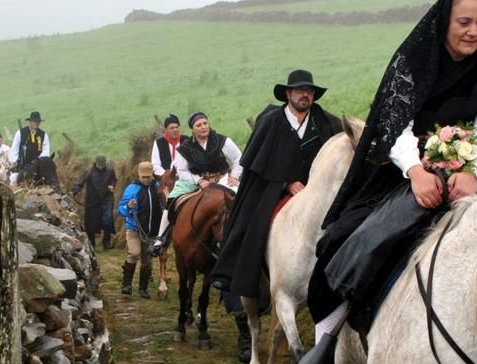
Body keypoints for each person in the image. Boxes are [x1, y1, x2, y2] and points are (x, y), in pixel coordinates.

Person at [288, 0, 477, 364]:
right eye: (464, 22)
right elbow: (394, 128)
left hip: (469, 176)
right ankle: (331, 335)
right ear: (445, 21)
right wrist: (416, 170)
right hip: (403, 174)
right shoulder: (411, 64)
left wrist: (473, 170)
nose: (473, 31)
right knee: (348, 241)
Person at [211, 69, 342, 298]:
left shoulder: (325, 121)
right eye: (300, 90)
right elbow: (258, 162)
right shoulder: (270, 122)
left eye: (309, 90)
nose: (305, 94)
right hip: (274, 188)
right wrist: (286, 183)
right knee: (250, 220)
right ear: (288, 94)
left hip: (316, 190)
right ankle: (232, 273)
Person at [150, 111, 243, 256]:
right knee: (172, 199)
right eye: (199, 125)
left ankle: (245, 232)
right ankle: (161, 238)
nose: (203, 127)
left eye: (205, 123)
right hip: (195, 180)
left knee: (239, 198)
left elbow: (239, 159)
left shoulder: (222, 141)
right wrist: (199, 180)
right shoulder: (186, 148)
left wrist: (235, 176)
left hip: (223, 178)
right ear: (193, 129)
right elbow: (182, 170)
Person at [116, 161, 163, 297]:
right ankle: (126, 285)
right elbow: (120, 209)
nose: (147, 180)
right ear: (139, 176)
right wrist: (128, 207)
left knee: (147, 261)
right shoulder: (132, 189)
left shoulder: (158, 187)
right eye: (144, 177)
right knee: (134, 253)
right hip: (134, 229)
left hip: (152, 232)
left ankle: (143, 289)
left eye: (149, 177)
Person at [71, 155, 118, 250]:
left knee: (108, 220)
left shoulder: (110, 171)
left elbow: (114, 180)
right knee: (90, 223)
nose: (101, 167)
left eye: (103, 165)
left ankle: (106, 240)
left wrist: (112, 185)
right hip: (92, 200)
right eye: (99, 165)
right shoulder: (89, 171)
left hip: (106, 199)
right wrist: (75, 190)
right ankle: (91, 242)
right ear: (96, 163)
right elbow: (81, 182)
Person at [10, 111, 51, 185]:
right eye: (34, 121)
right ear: (30, 121)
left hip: (37, 167)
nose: (36, 123)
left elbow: (46, 151)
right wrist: (14, 161)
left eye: (38, 122)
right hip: (22, 166)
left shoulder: (44, 135)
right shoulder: (20, 133)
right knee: (14, 179)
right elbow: (14, 149)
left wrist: (38, 162)